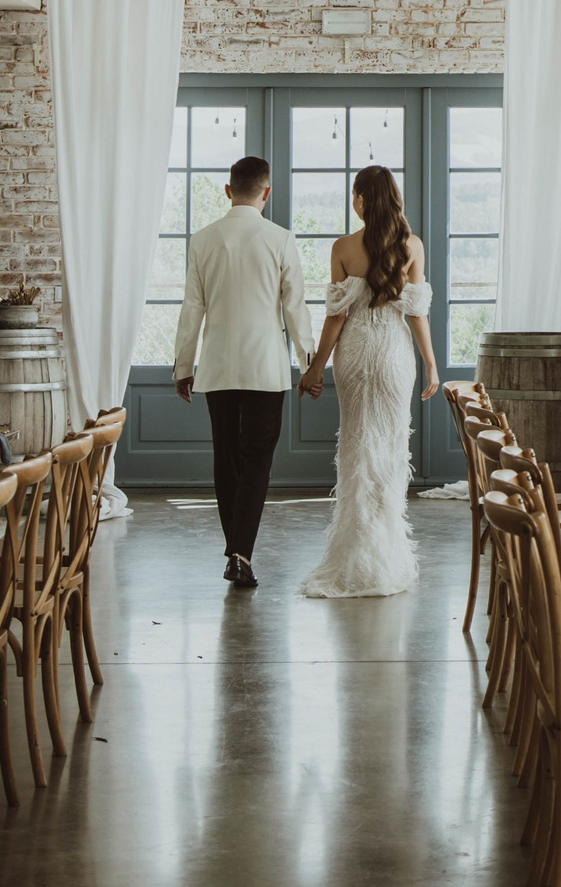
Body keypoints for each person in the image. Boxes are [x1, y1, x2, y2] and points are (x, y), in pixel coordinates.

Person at [298, 163, 441, 599]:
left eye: (353, 195)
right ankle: (386, 555)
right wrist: (431, 363)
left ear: (361, 199)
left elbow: (336, 317)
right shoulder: (411, 245)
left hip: (356, 356)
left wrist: (316, 367)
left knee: (357, 445)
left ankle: (355, 556)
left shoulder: (343, 247)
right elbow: (416, 314)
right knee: (391, 448)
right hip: (395, 356)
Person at [172, 155, 309, 589]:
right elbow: (295, 308)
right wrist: (308, 365)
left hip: (217, 367)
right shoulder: (281, 239)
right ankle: (240, 554)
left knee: (226, 458)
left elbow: (192, 309)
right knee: (257, 462)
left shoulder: (202, 240)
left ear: (228, 191)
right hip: (266, 368)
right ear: (267, 192)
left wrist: (183, 366)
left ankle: (236, 550)